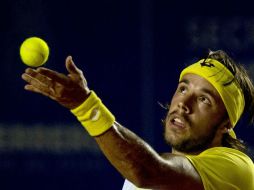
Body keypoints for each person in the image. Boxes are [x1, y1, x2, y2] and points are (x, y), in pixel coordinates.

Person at [21, 50, 254, 190]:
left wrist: (84, 105)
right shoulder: (142, 178)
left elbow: (145, 171)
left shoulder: (237, 169)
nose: (184, 104)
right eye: (183, 89)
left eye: (204, 99)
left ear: (226, 124)